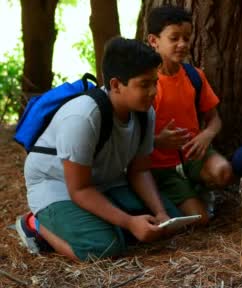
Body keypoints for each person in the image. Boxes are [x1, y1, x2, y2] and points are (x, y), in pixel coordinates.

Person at [16, 37, 182, 261]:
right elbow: (79, 190)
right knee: (103, 248)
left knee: (169, 221)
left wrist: (160, 213)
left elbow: (140, 171)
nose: (153, 91)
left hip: (103, 180)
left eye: (155, 82)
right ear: (115, 85)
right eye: (144, 84)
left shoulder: (144, 112)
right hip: (57, 184)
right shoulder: (83, 116)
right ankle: (35, 224)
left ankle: (101, 222)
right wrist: (130, 222)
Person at [146, 5, 233, 224]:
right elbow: (130, 133)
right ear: (154, 41)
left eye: (187, 38)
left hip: (194, 156)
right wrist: (157, 141)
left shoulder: (195, 76)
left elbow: (214, 118)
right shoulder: (146, 83)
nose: (183, 44)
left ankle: (199, 188)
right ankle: (174, 197)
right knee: (201, 220)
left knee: (222, 171)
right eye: (174, 38)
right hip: (160, 168)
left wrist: (206, 135)